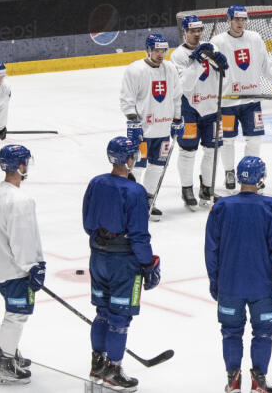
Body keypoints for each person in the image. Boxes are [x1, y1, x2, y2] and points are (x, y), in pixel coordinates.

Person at [205, 156, 272, 393]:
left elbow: (212, 248)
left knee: (230, 331)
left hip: (230, 284)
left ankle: (233, 379)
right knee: (263, 332)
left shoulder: (221, 207)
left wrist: (215, 280)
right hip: (262, 287)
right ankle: (259, 380)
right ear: (261, 178)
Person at [83, 136, 161, 390]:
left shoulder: (96, 183)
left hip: (98, 257)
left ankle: (98, 364)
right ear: (129, 159)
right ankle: (114, 369)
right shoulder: (134, 191)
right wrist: (148, 265)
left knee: (103, 312)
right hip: (123, 263)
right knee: (120, 317)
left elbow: (87, 223)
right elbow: (139, 235)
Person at [210, 6, 272, 193]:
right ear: (229, 20)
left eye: (243, 19)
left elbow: (266, 64)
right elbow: (210, 67)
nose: (240, 23)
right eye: (236, 19)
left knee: (255, 139)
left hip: (251, 101)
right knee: (228, 140)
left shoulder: (255, 38)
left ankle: (252, 172)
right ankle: (229, 172)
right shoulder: (218, 41)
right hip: (227, 102)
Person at [0, 144, 44, 384]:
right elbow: (23, 239)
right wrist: (33, 266)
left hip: (1, 267)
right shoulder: (21, 200)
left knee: (13, 313)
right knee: (16, 315)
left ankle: (10, 352)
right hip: (17, 270)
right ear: (20, 166)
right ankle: (6, 363)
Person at [119, 33, 184, 220]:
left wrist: (177, 120)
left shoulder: (170, 68)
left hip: (163, 130)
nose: (160, 54)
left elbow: (176, 97)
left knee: (157, 167)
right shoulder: (135, 70)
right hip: (142, 131)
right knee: (137, 167)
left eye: (163, 50)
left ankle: (148, 200)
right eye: (156, 50)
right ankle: (131, 203)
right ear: (148, 50)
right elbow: (127, 100)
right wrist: (132, 121)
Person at [176, 30, 229, 209]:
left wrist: (222, 65)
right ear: (184, 32)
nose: (196, 34)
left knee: (213, 150)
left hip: (212, 107)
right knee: (188, 150)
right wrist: (198, 61)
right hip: (189, 108)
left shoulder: (211, 47)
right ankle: (187, 189)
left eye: (199, 30)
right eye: (192, 31)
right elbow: (185, 85)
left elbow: (224, 76)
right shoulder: (178, 55)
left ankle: (207, 188)